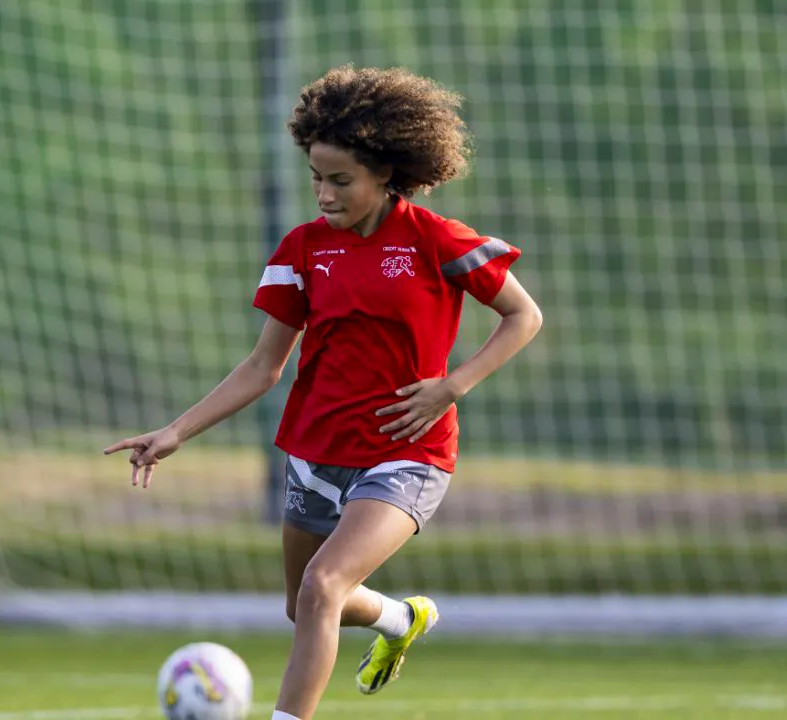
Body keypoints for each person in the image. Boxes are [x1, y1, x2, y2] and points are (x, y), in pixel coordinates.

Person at [104, 65, 543, 720]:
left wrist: (451, 387)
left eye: (340, 181)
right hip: (315, 450)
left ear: (385, 174)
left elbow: (523, 317)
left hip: (407, 451)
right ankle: (399, 618)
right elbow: (262, 366)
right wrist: (175, 431)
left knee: (323, 586)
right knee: (304, 602)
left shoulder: (435, 239)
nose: (324, 194)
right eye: (316, 177)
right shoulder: (303, 250)